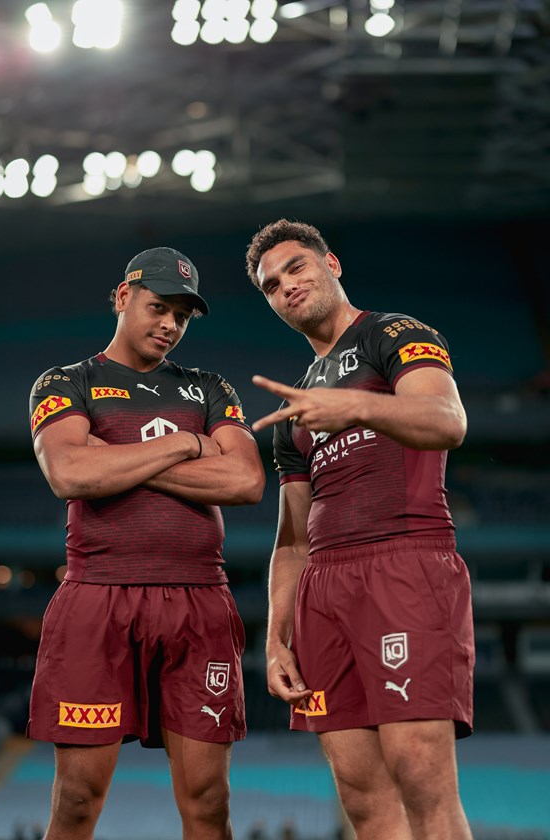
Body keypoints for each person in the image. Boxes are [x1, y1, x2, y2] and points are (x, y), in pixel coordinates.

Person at [245, 220, 474, 840]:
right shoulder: (296, 405)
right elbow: (292, 540)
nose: (287, 286)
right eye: (271, 285)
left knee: (421, 779)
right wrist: (276, 638)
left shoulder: (393, 333)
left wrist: (354, 405)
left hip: (405, 563)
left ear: (332, 264)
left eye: (296, 267)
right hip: (323, 591)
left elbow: (447, 420)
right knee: (364, 802)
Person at [28, 246, 265, 840]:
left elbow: (245, 480)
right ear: (122, 297)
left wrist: (114, 458)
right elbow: (70, 473)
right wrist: (186, 444)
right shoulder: (67, 381)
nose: (170, 325)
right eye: (159, 307)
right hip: (98, 598)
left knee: (209, 803)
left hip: (199, 602)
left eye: (182, 317)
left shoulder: (209, 388)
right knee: (76, 801)